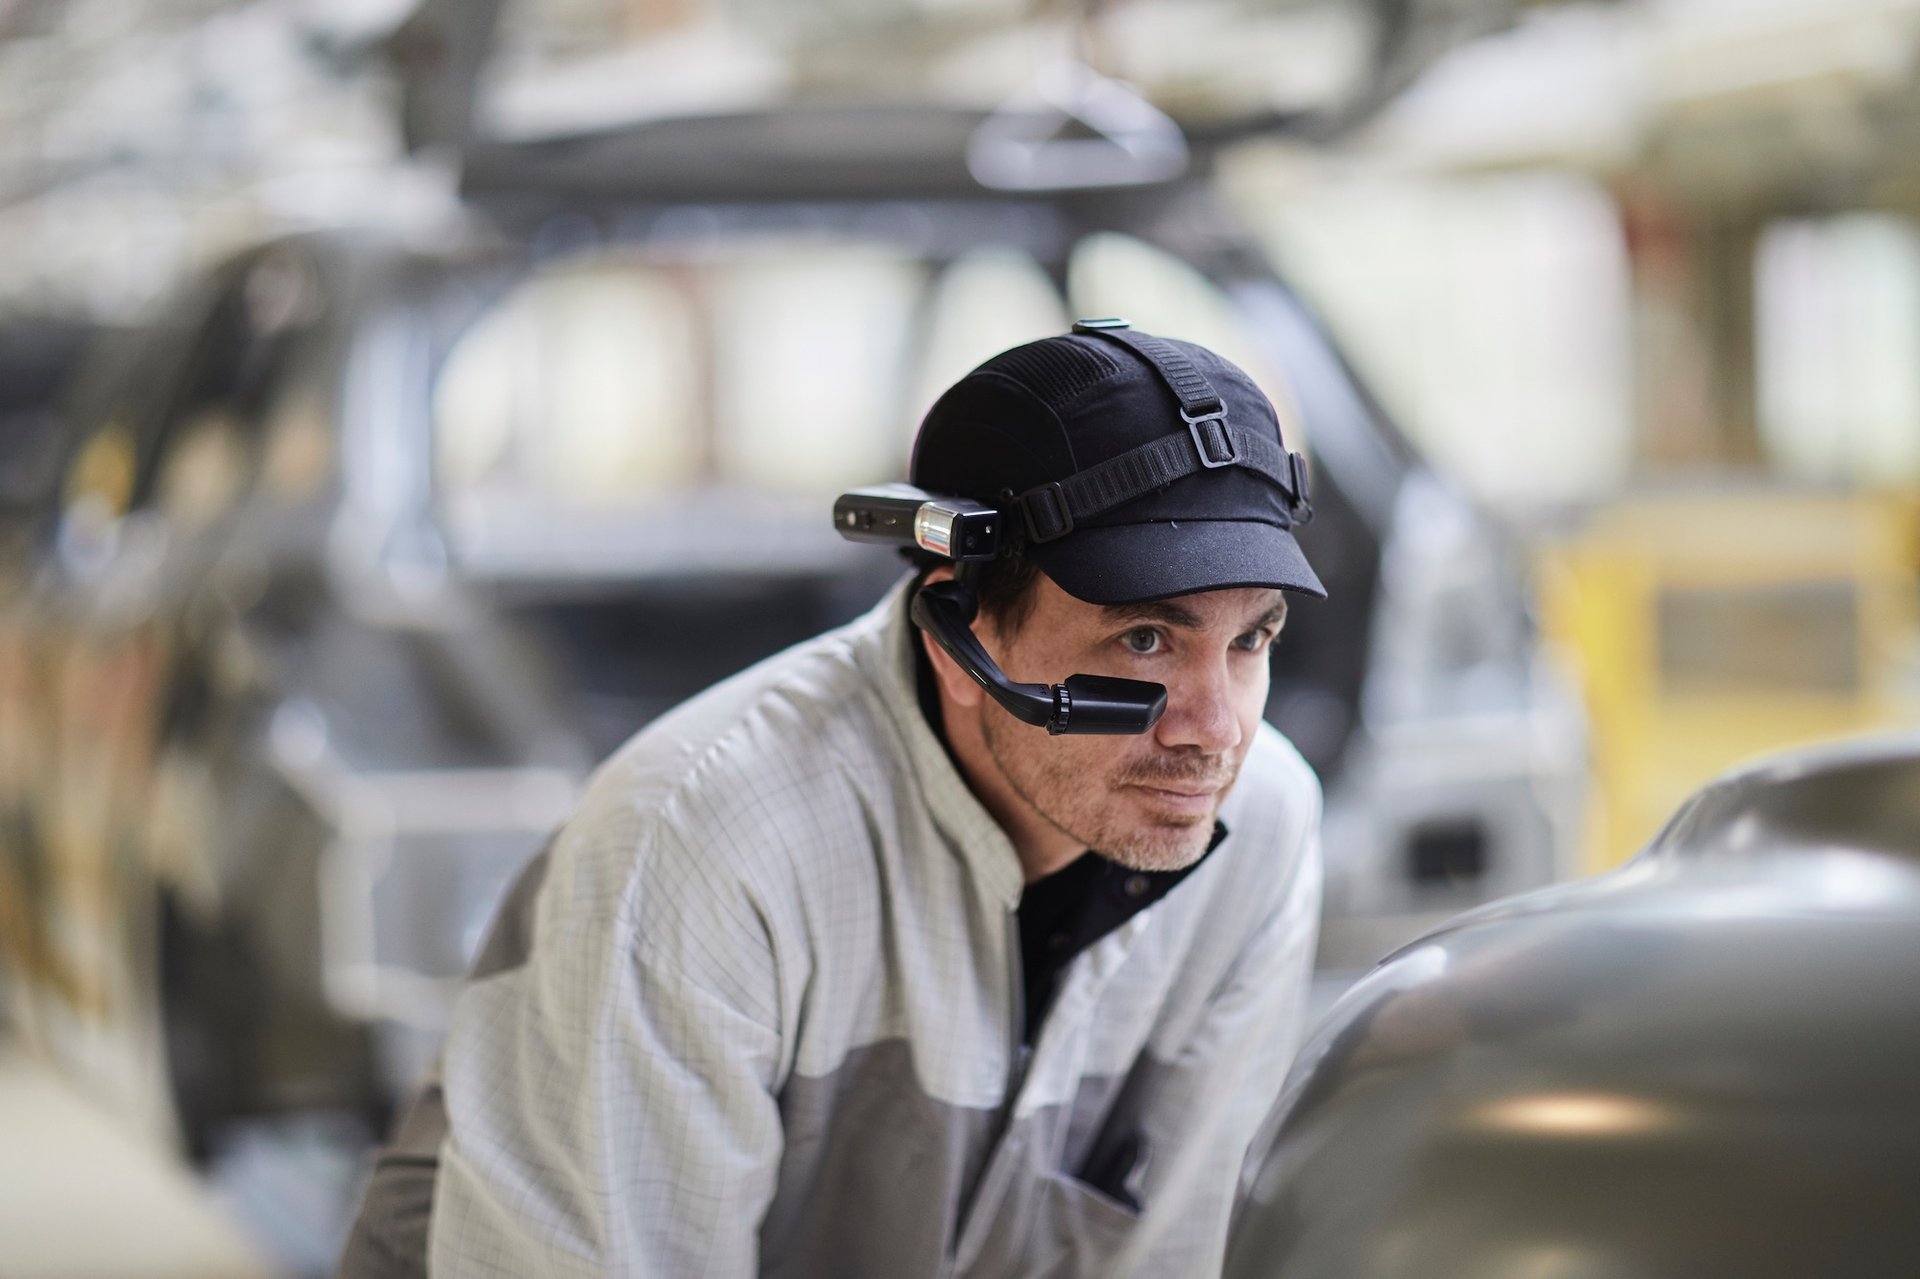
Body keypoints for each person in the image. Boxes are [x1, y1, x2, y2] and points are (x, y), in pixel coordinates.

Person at [338, 321, 1327, 1277]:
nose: (1218, 728)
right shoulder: (708, 845)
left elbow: (1173, 1253)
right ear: (958, 633)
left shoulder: (1262, 827)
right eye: (1147, 639)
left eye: (1251, 641)